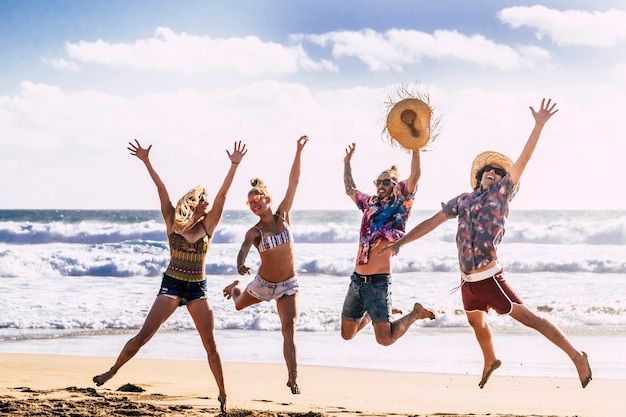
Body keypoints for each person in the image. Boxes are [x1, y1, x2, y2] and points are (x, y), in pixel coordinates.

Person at [381, 98, 592, 389]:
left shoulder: (501, 194)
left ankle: (576, 356)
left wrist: (538, 125)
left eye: (498, 172)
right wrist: (402, 241)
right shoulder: (463, 200)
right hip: (467, 281)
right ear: (480, 176)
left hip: (489, 277)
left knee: (530, 319)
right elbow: (433, 221)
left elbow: (523, 161)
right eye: (488, 171)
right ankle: (490, 359)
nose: (493, 172)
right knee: (476, 322)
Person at [93, 139, 248, 411]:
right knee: (143, 337)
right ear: (194, 203)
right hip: (172, 286)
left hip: (197, 289)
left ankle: (223, 394)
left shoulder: (209, 225)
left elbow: (223, 196)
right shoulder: (171, 222)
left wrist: (234, 165)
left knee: (210, 345)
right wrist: (147, 161)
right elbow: (161, 189)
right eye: (204, 199)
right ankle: (112, 370)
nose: (209, 202)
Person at [222, 135, 308, 395]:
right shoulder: (254, 231)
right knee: (238, 304)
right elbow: (243, 250)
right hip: (263, 283)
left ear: (267, 197)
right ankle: (236, 287)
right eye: (250, 203)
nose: (254, 204)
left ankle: (293, 378)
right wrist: (240, 266)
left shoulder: (283, 215)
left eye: (256, 198)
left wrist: (298, 150)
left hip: (288, 284)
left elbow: (294, 182)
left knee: (289, 329)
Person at [340, 142, 435, 347]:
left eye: (387, 181)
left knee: (385, 339)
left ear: (395, 184)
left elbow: (415, 176)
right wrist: (347, 163)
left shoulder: (400, 202)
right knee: (347, 334)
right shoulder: (370, 203)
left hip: (378, 282)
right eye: (378, 181)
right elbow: (350, 189)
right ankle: (376, 314)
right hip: (357, 280)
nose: (382, 185)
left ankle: (416, 313)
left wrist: (415, 148)